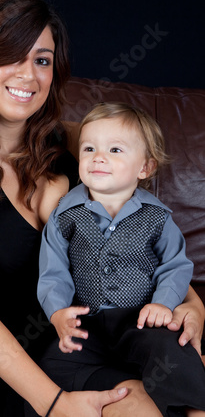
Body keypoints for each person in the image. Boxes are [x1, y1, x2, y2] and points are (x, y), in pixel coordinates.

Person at [0, 0, 204, 417]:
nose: (29, 75)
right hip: (42, 365)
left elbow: (140, 233)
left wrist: (192, 306)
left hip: (125, 333)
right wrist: (54, 403)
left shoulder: (79, 143)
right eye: (12, 55)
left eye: (42, 60)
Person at [37, 102, 205, 416]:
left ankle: (197, 408)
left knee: (172, 349)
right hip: (86, 324)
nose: (98, 157)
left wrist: (163, 303)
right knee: (53, 361)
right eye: (89, 148)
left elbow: (175, 266)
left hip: (141, 319)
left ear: (145, 168)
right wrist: (58, 313)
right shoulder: (65, 214)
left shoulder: (157, 217)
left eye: (115, 150)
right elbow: (53, 272)